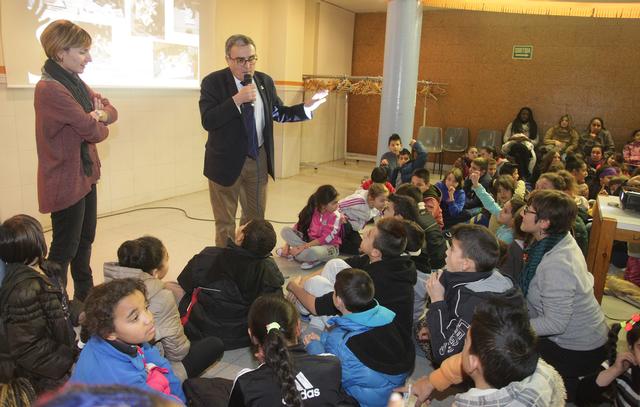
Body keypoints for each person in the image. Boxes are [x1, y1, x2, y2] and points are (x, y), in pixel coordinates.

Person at [199, 34, 328, 247]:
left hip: (257, 157)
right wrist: (236, 100)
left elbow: (279, 113)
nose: (247, 65)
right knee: (225, 222)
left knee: (255, 218)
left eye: (251, 58)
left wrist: (306, 107)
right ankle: (226, 263)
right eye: (240, 60)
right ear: (228, 59)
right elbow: (208, 120)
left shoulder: (264, 81)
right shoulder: (213, 82)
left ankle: (248, 258)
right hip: (224, 161)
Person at [35, 20, 118, 301]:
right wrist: (96, 119)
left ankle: (84, 297)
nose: (89, 58)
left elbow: (111, 110)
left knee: (85, 241)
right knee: (64, 250)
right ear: (60, 52)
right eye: (83, 51)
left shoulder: (74, 81)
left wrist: (100, 115)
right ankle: (53, 305)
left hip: (84, 175)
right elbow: (92, 130)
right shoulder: (51, 89)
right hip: (65, 180)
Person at [519, 189, 608, 401]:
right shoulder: (557, 239)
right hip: (580, 338)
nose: (522, 214)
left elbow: (556, 324)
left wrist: (515, 325)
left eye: (527, 211)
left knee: (506, 349)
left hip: (577, 349)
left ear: (544, 223)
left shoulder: (557, 264)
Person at [104, 236, 223, 380]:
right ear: (154, 272)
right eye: (167, 258)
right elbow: (178, 353)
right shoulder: (162, 296)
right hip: (148, 373)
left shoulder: (106, 288)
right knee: (213, 345)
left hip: (113, 366)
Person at [286, 217, 417, 339]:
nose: (364, 234)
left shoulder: (376, 279)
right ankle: (315, 322)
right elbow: (342, 265)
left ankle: (305, 312)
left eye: (369, 234)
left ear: (376, 252)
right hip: (376, 325)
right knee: (334, 264)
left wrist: (293, 286)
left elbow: (316, 305)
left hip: (370, 338)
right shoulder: (384, 259)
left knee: (316, 284)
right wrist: (302, 282)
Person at [304, 268, 413, 407]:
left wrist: (314, 346)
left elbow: (329, 372)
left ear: (338, 301)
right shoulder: (389, 316)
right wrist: (324, 339)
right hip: (392, 393)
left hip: (362, 402)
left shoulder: (341, 341)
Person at [227, 295, 356, 406]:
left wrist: (263, 367)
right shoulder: (331, 364)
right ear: (298, 327)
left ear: (252, 336)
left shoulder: (246, 383)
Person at [0, 215, 77, 401]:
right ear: (36, 243)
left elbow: (60, 306)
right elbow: (29, 347)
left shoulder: (45, 270)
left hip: (59, 356)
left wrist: (81, 312)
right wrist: (68, 361)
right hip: (44, 374)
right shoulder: (23, 290)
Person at [71, 278, 186, 403]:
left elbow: (161, 363)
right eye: (135, 317)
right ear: (110, 333)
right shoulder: (119, 377)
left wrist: (179, 397)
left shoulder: (125, 337)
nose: (149, 319)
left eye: (146, 308)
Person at [414, 224, 514, 365]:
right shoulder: (475, 273)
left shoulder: (477, 302)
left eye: (452, 249)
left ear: (466, 264)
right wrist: (432, 326)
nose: (447, 252)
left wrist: (437, 301)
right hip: (459, 335)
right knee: (420, 326)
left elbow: (444, 354)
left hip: (478, 365)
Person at [177, 219, 284, 349]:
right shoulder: (269, 270)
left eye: (244, 225)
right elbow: (275, 308)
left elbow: (185, 283)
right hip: (244, 335)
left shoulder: (209, 256)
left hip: (204, 329)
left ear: (240, 237)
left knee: (172, 288)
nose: (241, 225)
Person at [278, 185, 341, 269]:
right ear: (323, 205)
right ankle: (299, 253)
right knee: (285, 231)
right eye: (334, 203)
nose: (337, 205)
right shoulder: (312, 210)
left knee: (311, 252)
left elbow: (325, 239)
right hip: (309, 243)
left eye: (337, 201)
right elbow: (299, 226)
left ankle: (296, 254)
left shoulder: (336, 216)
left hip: (328, 247)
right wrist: (287, 245)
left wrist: (303, 247)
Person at [469, 173, 525, 244]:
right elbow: (490, 203)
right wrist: (476, 185)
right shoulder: (505, 223)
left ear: (514, 219)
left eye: (506, 190)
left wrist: (520, 181)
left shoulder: (508, 237)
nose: (502, 193)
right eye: (499, 191)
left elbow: (494, 251)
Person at [338, 183, 389, 255]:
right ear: (371, 199)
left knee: (360, 248)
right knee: (347, 227)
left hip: (353, 228)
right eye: (382, 201)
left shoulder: (377, 208)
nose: (385, 203)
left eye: (386, 200)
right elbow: (337, 205)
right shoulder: (358, 200)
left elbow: (379, 223)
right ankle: (333, 241)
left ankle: (338, 245)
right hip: (340, 224)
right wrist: (340, 215)